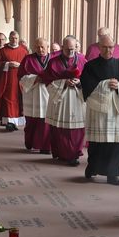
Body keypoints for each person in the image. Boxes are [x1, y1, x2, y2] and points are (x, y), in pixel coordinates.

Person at [81, 35, 119, 185]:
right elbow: (86, 85)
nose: (108, 50)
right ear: (99, 47)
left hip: (116, 110)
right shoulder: (90, 66)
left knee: (115, 144)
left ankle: (113, 175)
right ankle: (92, 168)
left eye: (111, 47)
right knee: (97, 142)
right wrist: (105, 85)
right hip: (99, 111)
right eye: (105, 47)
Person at [44, 36, 87, 165]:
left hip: (77, 97)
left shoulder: (83, 60)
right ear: (62, 47)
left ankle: (74, 154)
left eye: (73, 49)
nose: (70, 52)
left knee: (77, 129)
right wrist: (63, 82)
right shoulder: (53, 62)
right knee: (60, 128)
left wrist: (80, 83)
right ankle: (61, 153)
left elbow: (89, 79)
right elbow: (47, 81)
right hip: (60, 99)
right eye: (68, 49)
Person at [18, 38, 57, 153]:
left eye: (42, 47)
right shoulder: (28, 59)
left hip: (48, 95)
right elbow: (21, 77)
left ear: (47, 47)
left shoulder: (54, 60)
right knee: (31, 122)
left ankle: (45, 147)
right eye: (37, 47)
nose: (40, 49)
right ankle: (30, 142)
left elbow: (59, 76)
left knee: (47, 123)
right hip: (32, 95)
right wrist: (36, 79)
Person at [0, 31, 29, 131]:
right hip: (7, 80)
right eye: (12, 38)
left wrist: (19, 65)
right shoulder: (3, 50)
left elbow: (29, 65)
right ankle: (9, 122)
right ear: (9, 38)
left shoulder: (24, 51)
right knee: (8, 99)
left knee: (19, 99)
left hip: (20, 80)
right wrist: (7, 64)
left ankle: (16, 122)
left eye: (16, 38)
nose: (14, 40)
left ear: (18, 38)